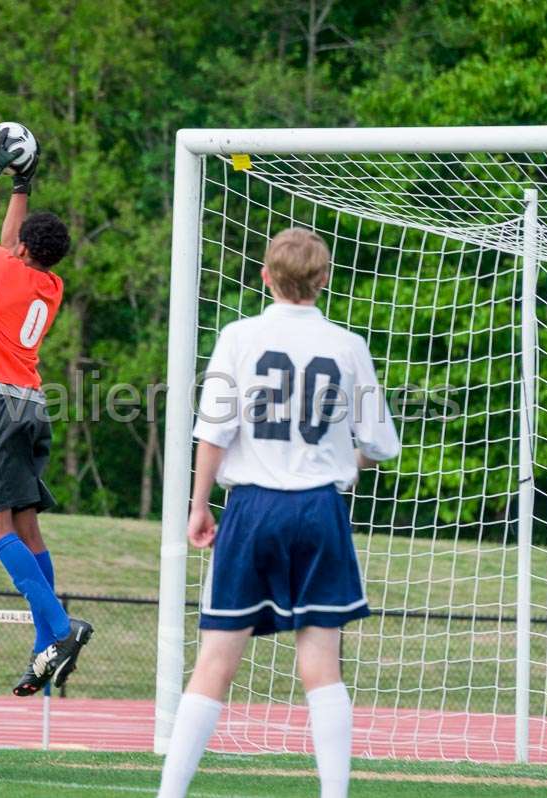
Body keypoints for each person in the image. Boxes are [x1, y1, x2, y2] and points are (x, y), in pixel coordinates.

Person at [157, 229, 401, 798]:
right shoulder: (349, 346)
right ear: (324, 280)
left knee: (216, 657)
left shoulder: (239, 335)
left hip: (252, 507)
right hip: (320, 508)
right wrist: (346, 459)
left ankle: (170, 794)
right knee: (322, 662)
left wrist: (199, 505)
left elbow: (214, 432)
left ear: (265, 276)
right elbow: (379, 442)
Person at [0, 125, 91, 697]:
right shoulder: (50, 284)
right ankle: (46, 647)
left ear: (21, 252)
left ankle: (60, 629)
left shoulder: (4, 268)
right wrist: (24, 184)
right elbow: (12, 238)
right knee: (28, 526)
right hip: (33, 406)